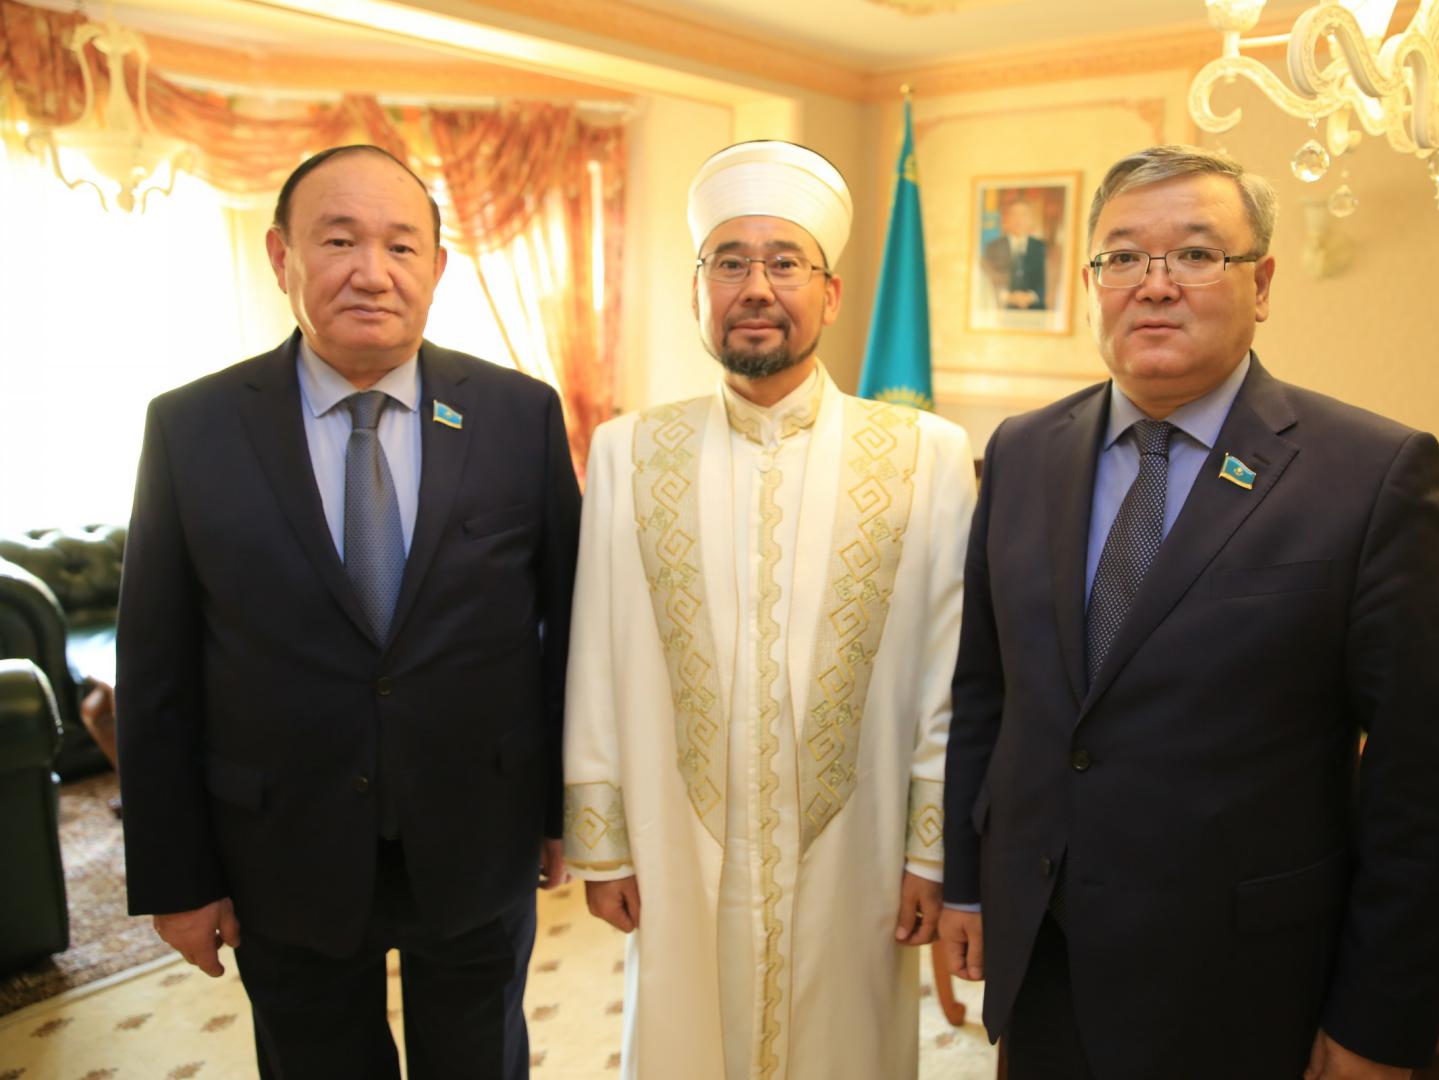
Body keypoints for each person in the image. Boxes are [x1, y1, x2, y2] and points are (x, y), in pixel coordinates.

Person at [939, 145, 1439, 1079]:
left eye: (1196, 254)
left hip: (1242, 986)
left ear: (1261, 284)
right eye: (1123, 256)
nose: (1154, 285)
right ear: (1094, 282)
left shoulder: (1371, 477)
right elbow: (989, 694)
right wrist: (968, 883)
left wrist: (1378, 1026)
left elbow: (1428, 785)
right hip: (1045, 961)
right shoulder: (1024, 452)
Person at [116, 144, 581, 1080]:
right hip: (280, 847)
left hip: (478, 834)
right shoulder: (192, 429)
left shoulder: (518, 414)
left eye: (401, 246)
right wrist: (177, 878)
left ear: (436, 268)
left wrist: (569, 810)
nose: (373, 272)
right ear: (281, 257)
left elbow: (567, 633)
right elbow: (156, 672)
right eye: (339, 241)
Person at [563, 140, 977, 1079]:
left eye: (785, 263)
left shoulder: (927, 454)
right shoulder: (630, 452)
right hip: (678, 844)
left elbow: (949, 669)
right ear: (697, 290)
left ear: (830, 294)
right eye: (730, 263)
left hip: (862, 845)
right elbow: (594, 651)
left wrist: (930, 850)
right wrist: (604, 846)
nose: (756, 287)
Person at [981, 199, 1047, 309]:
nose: (1019, 220)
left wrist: (1030, 297)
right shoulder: (993, 247)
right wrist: (1008, 297)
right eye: (1014, 214)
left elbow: (1047, 281)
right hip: (1001, 310)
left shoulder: (1041, 247)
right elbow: (988, 281)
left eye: (1023, 215)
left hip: (1036, 310)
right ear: (1006, 219)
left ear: (1031, 219)